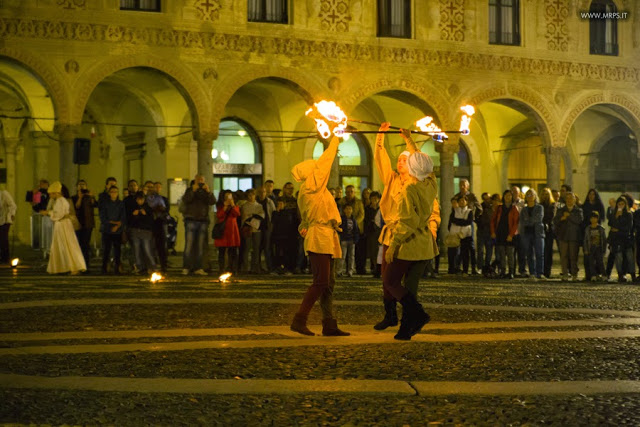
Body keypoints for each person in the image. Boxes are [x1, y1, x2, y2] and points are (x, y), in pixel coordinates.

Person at [289, 134, 349, 337]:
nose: (321, 173)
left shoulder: (318, 190)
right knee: (321, 282)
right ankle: (300, 319)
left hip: (326, 236)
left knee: (328, 284)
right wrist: (334, 141)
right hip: (319, 238)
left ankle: (329, 324)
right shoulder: (310, 188)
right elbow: (324, 164)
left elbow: (309, 218)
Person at [382, 143, 435, 341]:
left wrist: (393, 245)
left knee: (390, 281)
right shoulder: (430, 183)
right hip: (425, 245)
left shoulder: (409, 189)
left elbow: (406, 222)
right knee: (410, 288)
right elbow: (425, 165)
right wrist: (409, 140)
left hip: (410, 244)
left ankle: (418, 314)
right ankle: (406, 329)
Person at [42, 181, 86, 275]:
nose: (50, 196)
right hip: (62, 224)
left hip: (63, 225)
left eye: (51, 194)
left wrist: (48, 213)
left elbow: (59, 214)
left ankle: (74, 267)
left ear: (55, 193)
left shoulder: (60, 201)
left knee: (66, 245)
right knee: (63, 245)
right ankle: (63, 267)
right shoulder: (61, 200)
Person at [181, 174, 216, 276]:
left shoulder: (206, 191)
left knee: (200, 246)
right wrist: (193, 190)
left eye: (202, 180)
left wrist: (208, 192)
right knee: (189, 245)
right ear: (195, 180)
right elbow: (186, 200)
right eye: (198, 180)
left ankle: (198, 267)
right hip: (191, 220)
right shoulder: (189, 190)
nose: (200, 181)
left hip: (202, 221)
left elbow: (212, 202)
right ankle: (186, 267)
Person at [553, 192, 583, 281]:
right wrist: (562, 218)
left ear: (574, 200)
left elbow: (579, 220)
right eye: (568, 198)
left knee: (573, 256)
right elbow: (556, 221)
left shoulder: (578, 210)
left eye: (571, 198)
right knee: (564, 256)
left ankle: (574, 274)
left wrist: (569, 216)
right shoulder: (561, 210)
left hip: (574, 237)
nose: (569, 200)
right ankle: (565, 274)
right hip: (563, 236)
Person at [455, 179, 482, 275]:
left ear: (468, 186)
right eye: (460, 184)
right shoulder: (457, 196)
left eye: (464, 185)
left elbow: (479, 208)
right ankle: (464, 268)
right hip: (459, 224)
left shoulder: (472, 196)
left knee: (471, 246)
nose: (462, 186)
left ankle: (474, 268)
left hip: (469, 222)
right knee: (462, 247)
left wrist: (474, 217)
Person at [491, 190, 519, 279]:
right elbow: (493, 221)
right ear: (503, 197)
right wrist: (492, 232)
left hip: (509, 234)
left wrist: (511, 234)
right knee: (501, 253)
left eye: (510, 195)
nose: (508, 197)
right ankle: (502, 271)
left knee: (510, 254)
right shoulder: (499, 208)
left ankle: (511, 272)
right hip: (500, 233)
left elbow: (516, 223)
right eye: (506, 195)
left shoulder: (514, 208)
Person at [128, 191, 158, 274]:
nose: (140, 201)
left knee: (147, 249)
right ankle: (140, 267)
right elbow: (129, 220)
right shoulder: (132, 207)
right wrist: (134, 215)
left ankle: (153, 266)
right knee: (136, 250)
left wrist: (145, 215)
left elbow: (151, 220)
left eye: (141, 199)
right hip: (135, 231)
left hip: (145, 231)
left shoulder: (148, 208)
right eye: (138, 199)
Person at [99, 184, 126, 275]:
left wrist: (118, 226)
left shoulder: (121, 204)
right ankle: (104, 268)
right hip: (107, 229)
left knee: (117, 250)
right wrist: (113, 224)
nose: (114, 194)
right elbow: (103, 217)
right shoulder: (105, 203)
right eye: (112, 192)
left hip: (118, 231)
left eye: (115, 192)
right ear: (109, 193)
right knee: (106, 250)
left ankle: (117, 268)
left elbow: (123, 217)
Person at [519, 189, 545, 280]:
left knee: (539, 254)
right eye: (528, 195)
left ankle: (540, 273)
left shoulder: (540, 207)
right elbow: (522, 221)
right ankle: (532, 273)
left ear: (535, 196)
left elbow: (538, 219)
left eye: (531, 194)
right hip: (527, 234)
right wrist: (529, 221)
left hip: (538, 233)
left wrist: (528, 221)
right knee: (529, 254)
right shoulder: (524, 209)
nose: (530, 196)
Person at [608, 196, 636, 283]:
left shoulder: (628, 214)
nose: (620, 206)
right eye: (619, 204)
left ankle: (633, 275)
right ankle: (620, 275)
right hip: (617, 240)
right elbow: (611, 224)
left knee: (630, 257)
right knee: (618, 257)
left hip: (626, 239)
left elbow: (628, 228)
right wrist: (616, 216)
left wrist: (618, 229)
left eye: (622, 204)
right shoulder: (614, 214)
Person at [580, 189, 605, 281]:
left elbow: (602, 217)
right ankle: (588, 274)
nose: (591, 196)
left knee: (598, 257)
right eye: (590, 194)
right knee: (587, 255)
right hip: (586, 232)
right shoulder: (585, 206)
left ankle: (598, 274)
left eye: (593, 194)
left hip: (596, 232)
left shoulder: (599, 205)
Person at [214, 190, 241, 275]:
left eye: (230, 197)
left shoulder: (235, 205)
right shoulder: (220, 205)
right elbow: (219, 215)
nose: (228, 199)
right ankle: (221, 268)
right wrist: (224, 207)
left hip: (232, 229)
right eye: (226, 197)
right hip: (223, 229)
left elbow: (237, 214)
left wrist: (232, 205)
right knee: (221, 251)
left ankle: (233, 268)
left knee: (233, 250)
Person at [145, 181, 169, 273]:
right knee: (149, 246)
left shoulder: (163, 199)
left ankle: (163, 265)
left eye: (154, 187)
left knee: (161, 246)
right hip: (149, 224)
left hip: (160, 223)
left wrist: (159, 209)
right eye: (150, 187)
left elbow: (166, 209)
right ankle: (151, 265)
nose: (153, 189)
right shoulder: (146, 199)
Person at [240, 188, 265, 274]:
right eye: (249, 195)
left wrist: (251, 216)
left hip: (256, 229)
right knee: (246, 248)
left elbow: (261, 216)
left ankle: (255, 267)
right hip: (247, 229)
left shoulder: (259, 206)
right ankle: (245, 267)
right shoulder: (244, 206)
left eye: (253, 195)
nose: (251, 197)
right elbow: (244, 218)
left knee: (256, 249)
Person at [449, 194, 473, 275]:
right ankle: (453, 268)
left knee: (465, 253)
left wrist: (458, 221)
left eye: (463, 200)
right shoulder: (455, 210)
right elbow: (452, 220)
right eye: (460, 201)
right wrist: (463, 221)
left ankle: (465, 270)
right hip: (455, 235)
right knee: (453, 253)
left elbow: (469, 222)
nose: (462, 202)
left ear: (466, 202)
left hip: (466, 235)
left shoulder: (469, 211)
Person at [257, 186, 276, 273]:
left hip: (267, 227)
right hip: (257, 227)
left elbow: (273, 213)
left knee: (267, 248)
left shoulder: (269, 202)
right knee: (258, 248)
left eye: (264, 192)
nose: (262, 194)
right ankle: (258, 267)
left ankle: (269, 267)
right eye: (260, 192)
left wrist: (272, 225)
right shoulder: (255, 202)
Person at [583, 211, 606, 282]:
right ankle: (593, 275)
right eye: (592, 218)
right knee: (591, 262)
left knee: (600, 262)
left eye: (595, 218)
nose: (593, 220)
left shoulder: (601, 229)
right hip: (591, 247)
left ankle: (604, 275)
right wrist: (586, 249)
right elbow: (585, 240)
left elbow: (604, 239)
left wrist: (604, 249)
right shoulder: (588, 228)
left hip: (599, 247)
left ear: (597, 219)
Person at [540, 188, 557, 279]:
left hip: (549, 230)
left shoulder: (552, 205)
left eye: (547, 194)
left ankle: (547, 271)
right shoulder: (539, 205)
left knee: (548, 251)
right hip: (540, 230)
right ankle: (540, 270)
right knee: (541, 251)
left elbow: (551, 216)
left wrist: (543, 222)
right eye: (543, 194)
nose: (545, 196)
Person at [338, 204, 359, 277]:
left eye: (350, 209)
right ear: (344, 210)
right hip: (344, 239)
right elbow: (340, 229)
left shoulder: (354, 220)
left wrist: (355, 239)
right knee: (342, 256)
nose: (348, 210)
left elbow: (356, 230)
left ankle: (350, 271)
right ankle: (339, 271)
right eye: (347, 209)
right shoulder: (342, 219)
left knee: (351, 256)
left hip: (352, 240)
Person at [476, 192, 494, 277]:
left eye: (488, 198)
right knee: (480, 250)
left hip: (490, 231)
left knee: (489, 250)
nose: (487, 200)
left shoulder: (492, 207)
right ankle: (480, 267)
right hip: (481, 231)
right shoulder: (480, 207)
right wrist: (480, 224)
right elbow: (476, 217)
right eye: (485, 198)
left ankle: (487, 266)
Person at [364, 191, 382, 278]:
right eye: (372, 198)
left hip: (380, 232)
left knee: (380, 251)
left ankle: (379, 269)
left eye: (376, 198)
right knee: (373, 251)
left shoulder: (381, 209)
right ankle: (374, 268)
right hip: (371, 232)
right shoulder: (367, 208)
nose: (374, 200)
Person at [0, 188, 17, 264]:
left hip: (5, 219)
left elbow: (12, 205)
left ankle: (5, 257)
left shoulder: (4, 194)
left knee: (3, 238)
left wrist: (12, 214)